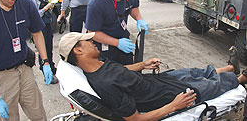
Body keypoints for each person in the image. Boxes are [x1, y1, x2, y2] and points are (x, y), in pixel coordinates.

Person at [58, 32, 246, 121]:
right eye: (88, 41)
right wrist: (174, 106)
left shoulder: (100, 62)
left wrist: (143, 64)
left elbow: (121, 70)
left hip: (159, 80)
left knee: (194, 72)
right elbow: (134, 120)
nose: (93, 42)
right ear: (78, 50)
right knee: (211, 85)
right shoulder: (104, 85)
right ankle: (240, 79)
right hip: (164, 95)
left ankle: (230, 67)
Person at [85, 0, 148, 65]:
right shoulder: (96, 4)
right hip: (105, 46)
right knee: (111, 77)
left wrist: (139, 19)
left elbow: (133, 7)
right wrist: (117, 43)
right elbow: (93, 33)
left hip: (123, 40)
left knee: (128, 73)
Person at [27, 0, 58, 84]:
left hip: (47, 24)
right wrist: (45, 8)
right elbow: (35, 15)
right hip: (41, 27)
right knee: (43, 50)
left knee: (49, 48)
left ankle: (52, 68)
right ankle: (46, 73)